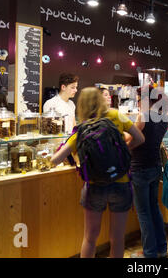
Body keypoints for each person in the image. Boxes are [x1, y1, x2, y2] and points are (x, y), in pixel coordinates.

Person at [51, 87, 145, 258]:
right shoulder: (116, 116)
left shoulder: (82, 128)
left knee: (90, 237)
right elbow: (140, 138)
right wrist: (123, 150)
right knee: (117, 237)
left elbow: (56, 159)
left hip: (95, 186)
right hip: (121, 182)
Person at [129, 85, 168, 258]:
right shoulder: (164, 118)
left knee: (144, 212)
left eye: (139, 100)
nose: (138, 103)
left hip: (140, 168)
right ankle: (162, 249)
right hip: (155, 166)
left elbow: (133, 140)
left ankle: (149, 253)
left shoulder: (143, 116)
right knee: (154, 209)